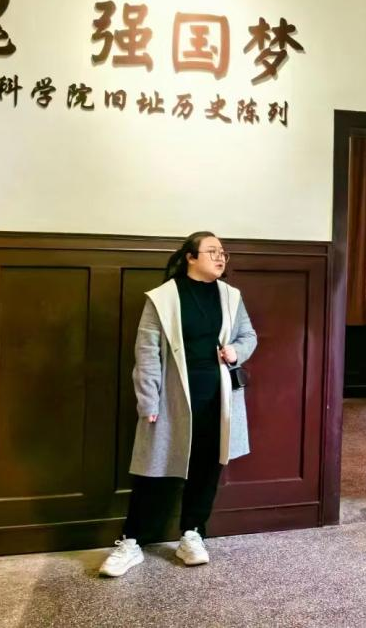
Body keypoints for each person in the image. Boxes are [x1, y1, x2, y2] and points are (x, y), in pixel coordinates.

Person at [99, 232, 258, 577]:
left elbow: (248, 336)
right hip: (171, 397)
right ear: (190, 256)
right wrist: (148, 400)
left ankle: (192, 534)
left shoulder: (230, 296)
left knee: (207, 465)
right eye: (212, 251)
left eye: (223, 253)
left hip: (219, 397)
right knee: (153, 469)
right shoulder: (162, 298)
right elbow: (147, 353)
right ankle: (131, 541)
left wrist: (236, 352)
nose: (221, 257)